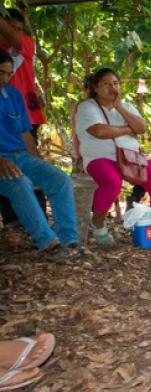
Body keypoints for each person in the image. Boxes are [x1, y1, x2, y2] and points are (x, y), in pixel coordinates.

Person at [0, 49, 79, 260]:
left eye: (8, 73)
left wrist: (38, 163)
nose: (5, 78)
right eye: (1, 73)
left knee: (59, 179)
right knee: (19, 182)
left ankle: (70, 242)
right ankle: (49, 244)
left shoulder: (13, 94)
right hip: (2, 161)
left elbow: (25, 133)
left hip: (20, 155)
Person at [75, 67, 151, 246]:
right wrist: (127, 129)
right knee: (112, 182)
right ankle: (98, 225)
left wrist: (120, 108)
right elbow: (100, 131)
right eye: (106, 84)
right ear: (95, 88)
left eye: (116, 83)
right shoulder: (86, 107)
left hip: (130, 156)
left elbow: (141, 128)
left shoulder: (126, 106)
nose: (112, 88)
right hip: (99, 156)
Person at [0, 8, 46, 226]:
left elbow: (13, 39)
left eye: (19, 29)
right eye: (12, 27)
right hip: (3, 120)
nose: (16, 33)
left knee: (33, 166)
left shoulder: (26, 43)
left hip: (27, 117)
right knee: (6, 170)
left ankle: (40, 219)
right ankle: (14, 222)